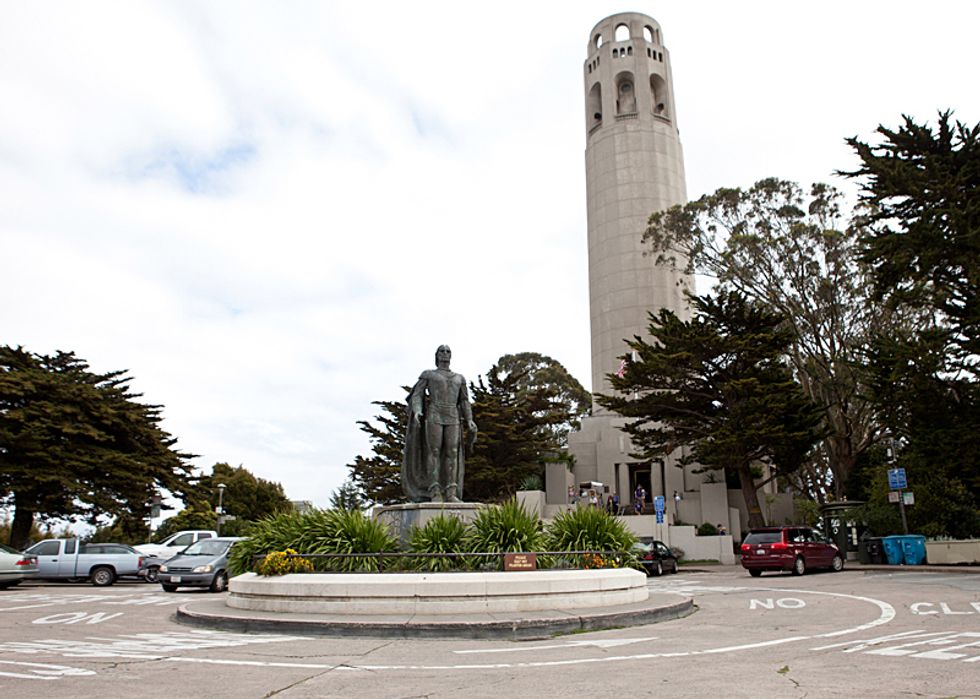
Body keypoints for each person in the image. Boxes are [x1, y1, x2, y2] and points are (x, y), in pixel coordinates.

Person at [402, 345, 478, 503]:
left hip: (452, 416)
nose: (445, 354)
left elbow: (464, 401)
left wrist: (469, 419)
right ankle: (435, 491)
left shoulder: (459, 378)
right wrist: (417, 410)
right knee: (434, 451)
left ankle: (451, 492)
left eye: (448, 351)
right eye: (441, 351)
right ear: (436, 355)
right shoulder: (428, 375)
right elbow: (417, 395)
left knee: (453, 452)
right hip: (435, 414)